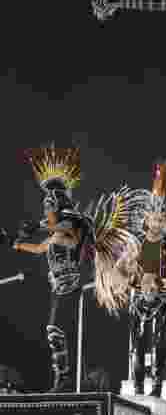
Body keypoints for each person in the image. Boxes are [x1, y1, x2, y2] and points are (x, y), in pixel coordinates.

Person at [12, 147, 88, 392]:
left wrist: (37, 225)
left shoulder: (73, 224)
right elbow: (39, 248)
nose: (45, 209)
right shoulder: (55, 232)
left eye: (48, 204)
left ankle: (64, 380)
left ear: (58, 204)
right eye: (44, 205)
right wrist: (16, 244)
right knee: (56, 333)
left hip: (72, 285)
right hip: (58, 287)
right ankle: (63, 379)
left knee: (55, 330)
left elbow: (62, 229)